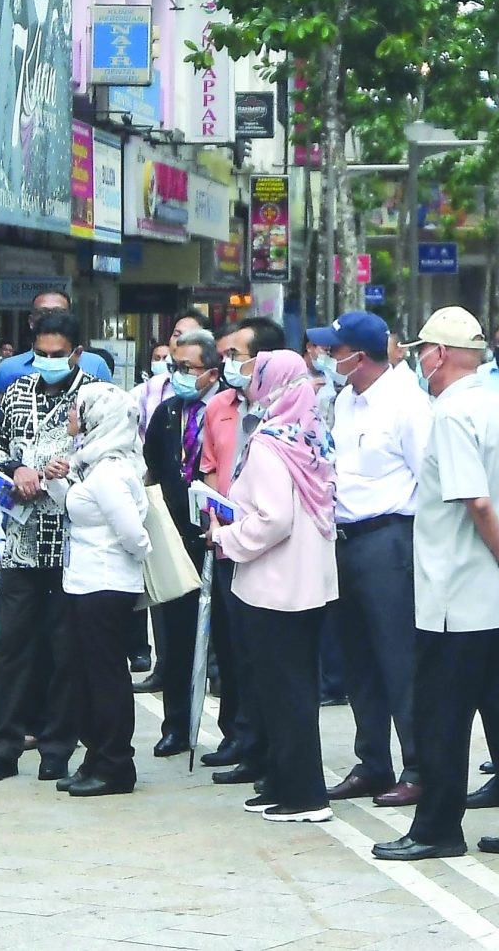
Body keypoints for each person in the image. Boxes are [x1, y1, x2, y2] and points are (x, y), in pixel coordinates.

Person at [374, 308, 499, 864]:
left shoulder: (454, 414)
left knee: (441, 717)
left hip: (458, 594)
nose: (419, 360)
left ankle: (436, 827)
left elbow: (476, 501)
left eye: (424, 351)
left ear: (443, 354)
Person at [215, 354, 338, 821]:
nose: (249, 383)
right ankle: (287, 783)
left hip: (274, 584)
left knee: (283, 691)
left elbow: (274, 519)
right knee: (294, 688)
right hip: (309, 583)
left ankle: (304, 796)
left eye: (256, 375)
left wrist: (226, 536)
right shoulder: (311, 435)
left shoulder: (270, 443)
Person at [0, 309, 91, 783]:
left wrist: (61, 472)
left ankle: (57, 748)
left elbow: (111, 455)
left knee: (65, 648)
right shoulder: (17, 391)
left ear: (77, 353)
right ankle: (1, 748)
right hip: (21, 541)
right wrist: (17, 467)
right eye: (39, 354)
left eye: (56, 355)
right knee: (12, 645)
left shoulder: (96, 397)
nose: (46, 362)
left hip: (71, 539)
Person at [321, 311, 428, 807]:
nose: (327, 358)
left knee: (399, 659)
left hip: (390, 538)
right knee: (358, 658)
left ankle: (419, 766)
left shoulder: (408, 404)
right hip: (346, 537)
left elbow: (431, 480)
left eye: (334, 351)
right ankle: (373, 762)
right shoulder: (346, 399)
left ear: (357, 358)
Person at [44, 381, 150, 798]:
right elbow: (76, 509)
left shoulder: (109, 471)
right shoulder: (94, 463)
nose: (72, 416)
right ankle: (95, 758)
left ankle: (114, 764)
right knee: (86, 675)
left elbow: (133, 534)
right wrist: (58, 482)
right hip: (85, 582)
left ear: (97, 417)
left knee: (105, 677)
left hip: (105, 585)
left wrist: (136, 555)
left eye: (77, 409)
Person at [142, 328, 221, 758]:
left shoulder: (226, 410)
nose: (178, 376)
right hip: (173, 537)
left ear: (211, 372)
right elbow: (153, 467)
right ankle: (175, 725)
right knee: (173, 637)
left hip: (215, 537)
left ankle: (231, 729)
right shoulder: (167, 413)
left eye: (187, 368)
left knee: (219, 640)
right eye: (174, 367)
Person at [198, 317, 270, 781]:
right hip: (225, 543)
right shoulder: (218, 407)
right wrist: (212, 516)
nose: (228, 365)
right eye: (225, 356)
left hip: (268, 546)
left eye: (236, 356)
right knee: (233, 646)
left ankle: (265, 744)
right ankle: (238, 736)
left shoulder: (280, 410)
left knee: (265, 651)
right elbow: (208, 468)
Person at [0, 290, 76, 400]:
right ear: (31, 321)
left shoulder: (95, 366)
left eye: (59, 312)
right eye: (43, 313)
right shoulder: (7, 370)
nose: (51, 319)